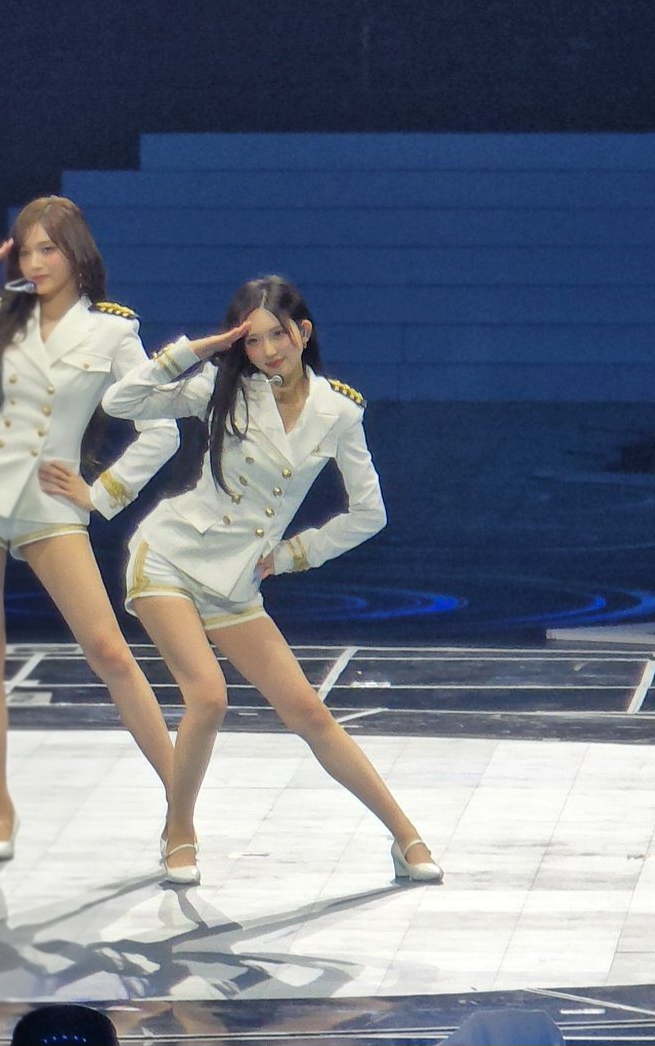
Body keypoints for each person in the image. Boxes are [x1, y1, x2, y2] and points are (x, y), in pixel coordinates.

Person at [100, 275, 441, 885]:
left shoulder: (339, 411)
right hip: (170, 556)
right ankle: (180, 832)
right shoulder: (223, 387)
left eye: (276, 336)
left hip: (236, 581)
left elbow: (370, 513)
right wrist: (197, 349)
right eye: (251, 341)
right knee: (208, 696)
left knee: (308, 712)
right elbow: (121, 403)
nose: (265, 352)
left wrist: (294, 555)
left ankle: (406, 835)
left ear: (302, 332)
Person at [0, 196, 179, 861]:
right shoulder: (3, 314)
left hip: (50, 505)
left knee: (109, 651)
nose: (36, 261)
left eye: (48, 248)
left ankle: (180, 804)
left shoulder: (112, 330)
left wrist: (101, 492)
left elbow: (160, 429)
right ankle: (1, 811)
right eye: (25, 250)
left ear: (77, 253)